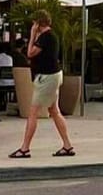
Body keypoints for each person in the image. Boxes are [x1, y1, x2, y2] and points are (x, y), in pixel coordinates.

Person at [9, 10, 74, 158]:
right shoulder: (51, 36)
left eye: (34, 23)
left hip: (47, 78)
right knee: (55, 111)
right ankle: (67, 145)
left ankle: (25, 148)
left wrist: (32, 35)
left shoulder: (45, 37)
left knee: (33, 112)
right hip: (54, 75)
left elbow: (30, 53)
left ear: (38, 23)